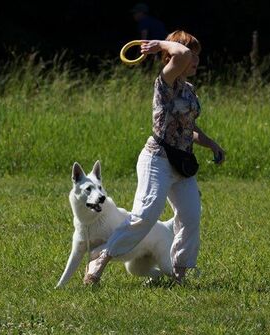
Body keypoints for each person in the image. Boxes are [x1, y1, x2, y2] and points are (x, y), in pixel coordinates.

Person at [84, 30, 226, 285]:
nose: (195, 60)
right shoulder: (165, 81)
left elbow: (188, 126)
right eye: (191, 54)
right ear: (172, 55)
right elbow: (179, 53)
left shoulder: (189, 89)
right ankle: (101, 256)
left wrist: (211, 144)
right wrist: (160, 44)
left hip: (182, 163)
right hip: (157, 159)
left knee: (191, 215)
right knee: (145, 214)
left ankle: (178, 273)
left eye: (198, 55)